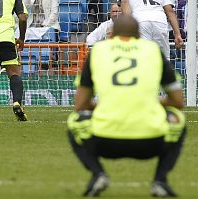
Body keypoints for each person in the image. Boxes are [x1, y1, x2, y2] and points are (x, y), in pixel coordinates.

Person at [68, 15, 186, 197]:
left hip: (104, 141)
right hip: (150, 142)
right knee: (178, 119)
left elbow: (80, 104)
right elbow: (178, 102)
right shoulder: (152, 50)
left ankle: (98, 174)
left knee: (74, 121)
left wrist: (109, 102)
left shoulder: (99, 50)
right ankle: (160, 180)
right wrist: (146, 100)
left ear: (111, 34)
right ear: (139, 35)